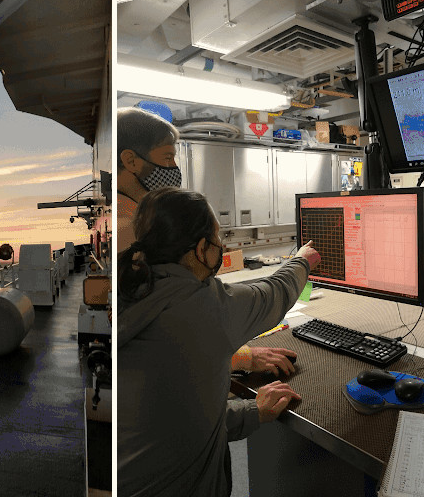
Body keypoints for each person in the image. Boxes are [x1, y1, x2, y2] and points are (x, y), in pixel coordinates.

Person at [117, 187, 321, 496]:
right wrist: (302, 260)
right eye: (217, 239)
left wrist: (253, 410)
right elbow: (275, 293)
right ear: (201, 249)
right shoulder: (201, 304)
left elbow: (183, 415)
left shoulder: (132, 290)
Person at [117, 106, 298, 375]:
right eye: (167, 157)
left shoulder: (140, 215)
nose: (174, 169)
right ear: (131, 161)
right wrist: (240, 358)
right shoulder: (125, 230)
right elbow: (166, 334)